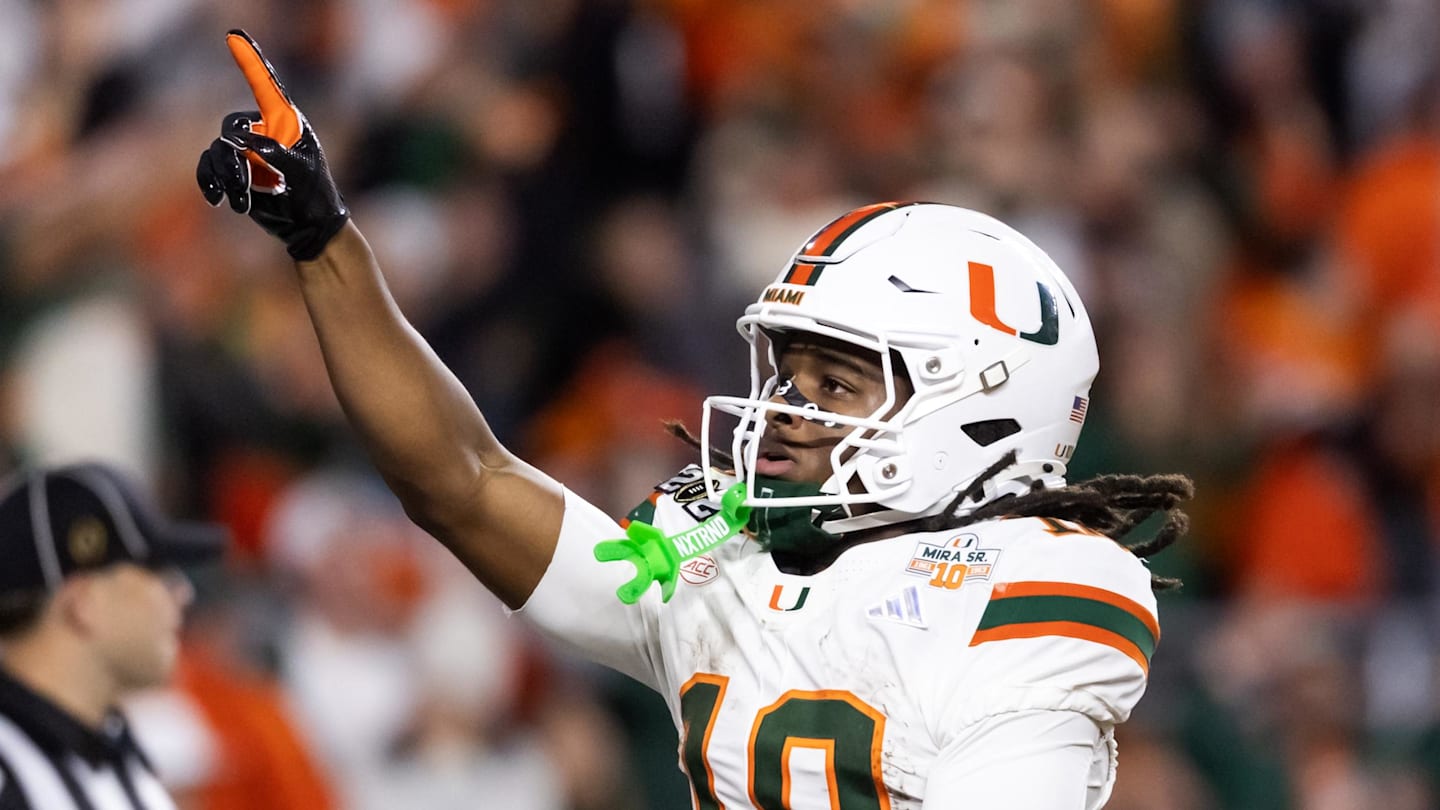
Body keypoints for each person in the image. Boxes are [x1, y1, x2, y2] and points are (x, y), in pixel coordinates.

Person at [197, 29, 1193, 808]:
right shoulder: (721, 553)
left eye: (837, 385)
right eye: (788, 376)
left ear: (978, 412)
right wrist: (324, 241)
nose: (787, 413)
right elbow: (460, 481)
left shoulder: (1042, 583)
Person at [0, 461, 227, 809]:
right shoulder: (14, 772)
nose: (183, 592)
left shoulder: (116, 758)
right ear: (83, 602)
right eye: (157, 570)